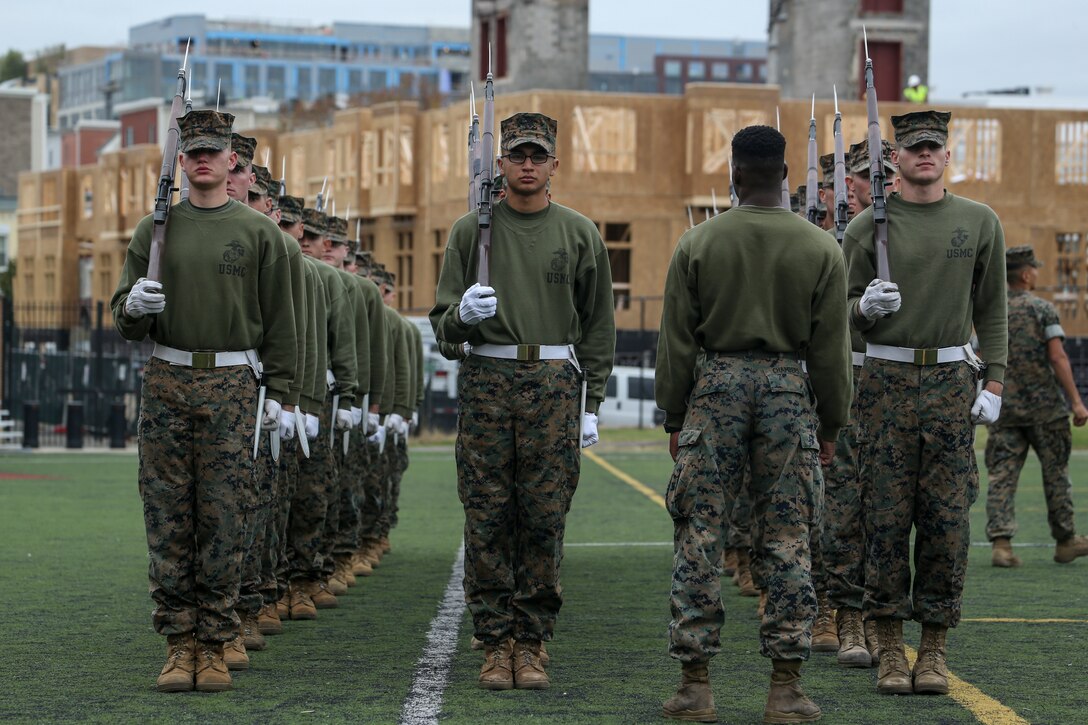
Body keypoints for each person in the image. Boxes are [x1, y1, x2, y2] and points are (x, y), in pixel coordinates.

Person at [656, 124, 851, 724]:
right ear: (786, 176)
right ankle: (785, 689)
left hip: (714, 389)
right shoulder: (822, 247)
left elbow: (677, 342)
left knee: (701, 533)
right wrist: (831, 423)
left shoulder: (698, 243)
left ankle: (696, 686)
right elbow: (830, 350)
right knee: (789, 536)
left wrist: (673, 413)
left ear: (735, 175)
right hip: (789, 390)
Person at [111, 109, 297, 692]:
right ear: (181, 160)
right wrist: (132, 307)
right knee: (168, 518)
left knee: (225, 516)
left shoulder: (259, 232)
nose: (202, 160)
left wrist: (283, 395)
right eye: (193, 152)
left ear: (232, 160)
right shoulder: (155, 230)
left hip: (233, 386)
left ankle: (214, 643)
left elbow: (281, 324)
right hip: (168, 380)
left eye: (213, 151)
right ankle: (178, 643)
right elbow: (125, 318)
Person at [430, 112, 616, 691]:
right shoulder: (470, 232)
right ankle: (494, 641)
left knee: (543, 518)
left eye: (538, 156)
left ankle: (531, 642)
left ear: (555, 164)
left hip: (555, 383)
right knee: (487, 518)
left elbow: (598, 325)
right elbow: (442, 328)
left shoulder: (580, 232)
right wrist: (462, 318)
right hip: (488, 379)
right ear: (500, 164)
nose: (528, 165)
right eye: (518, 156)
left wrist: (593, 402)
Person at [843, 110, 1007, 697]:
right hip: (884, 381)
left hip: (949, 382)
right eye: (914, 148)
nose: (925, 156)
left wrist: (995, 381)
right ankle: (889, 647)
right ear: (897, 158)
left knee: (945, 523)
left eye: (934, 147)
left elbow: (992, 307)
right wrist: (862, 311)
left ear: (946, 153)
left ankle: (934, 648)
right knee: (883, 520)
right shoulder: (867, 228)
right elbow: (836, 316)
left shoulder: (978, 220)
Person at [822, 139, 899, 670]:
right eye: (869, 176)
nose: (880, 185)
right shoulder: (828, 238)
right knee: (841, 508)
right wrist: (859, 310)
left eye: (886, 176)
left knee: (889, 512)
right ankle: (841, 612)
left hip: (900, 388)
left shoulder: (913, 232)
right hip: (847, 386)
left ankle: (880, 618)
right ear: (848, 183)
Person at [984, 245, 1088, 567]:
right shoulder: (1042, 309)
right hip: (1045, 411)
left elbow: (979, 356)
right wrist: (1076, 402)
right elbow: (1057, 357)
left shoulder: (991, 311)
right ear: (1027, 274)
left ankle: (1002, 545)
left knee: (1002, 476)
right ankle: (1066, 541)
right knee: (1056, 474)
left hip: (1005, 410)